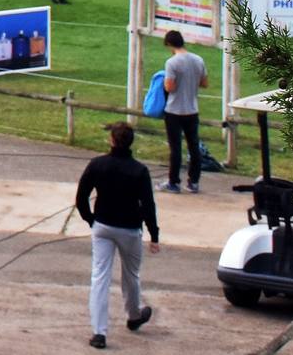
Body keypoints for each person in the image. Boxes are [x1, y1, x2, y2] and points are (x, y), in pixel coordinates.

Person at [75, 120, 159, 348]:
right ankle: (133, 316)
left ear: (111, 140)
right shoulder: (139, 171)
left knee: (99, 277)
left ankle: (99, 332)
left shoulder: (98, 164)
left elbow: (81, 197)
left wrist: (91, 220)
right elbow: (148, 205)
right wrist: (154, 234)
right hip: (130, 229)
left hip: (103, 225)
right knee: (131, 275)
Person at [160, 30, 208, 193]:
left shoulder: (172, 63)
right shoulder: (198, 60)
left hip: (174, 110)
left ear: (169, 44)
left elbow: (169, 86)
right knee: (193, 146)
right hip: (192, 109)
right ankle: (194, 181)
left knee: (175, 148)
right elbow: (204, 82)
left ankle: (173, 181)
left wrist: (165, 84)